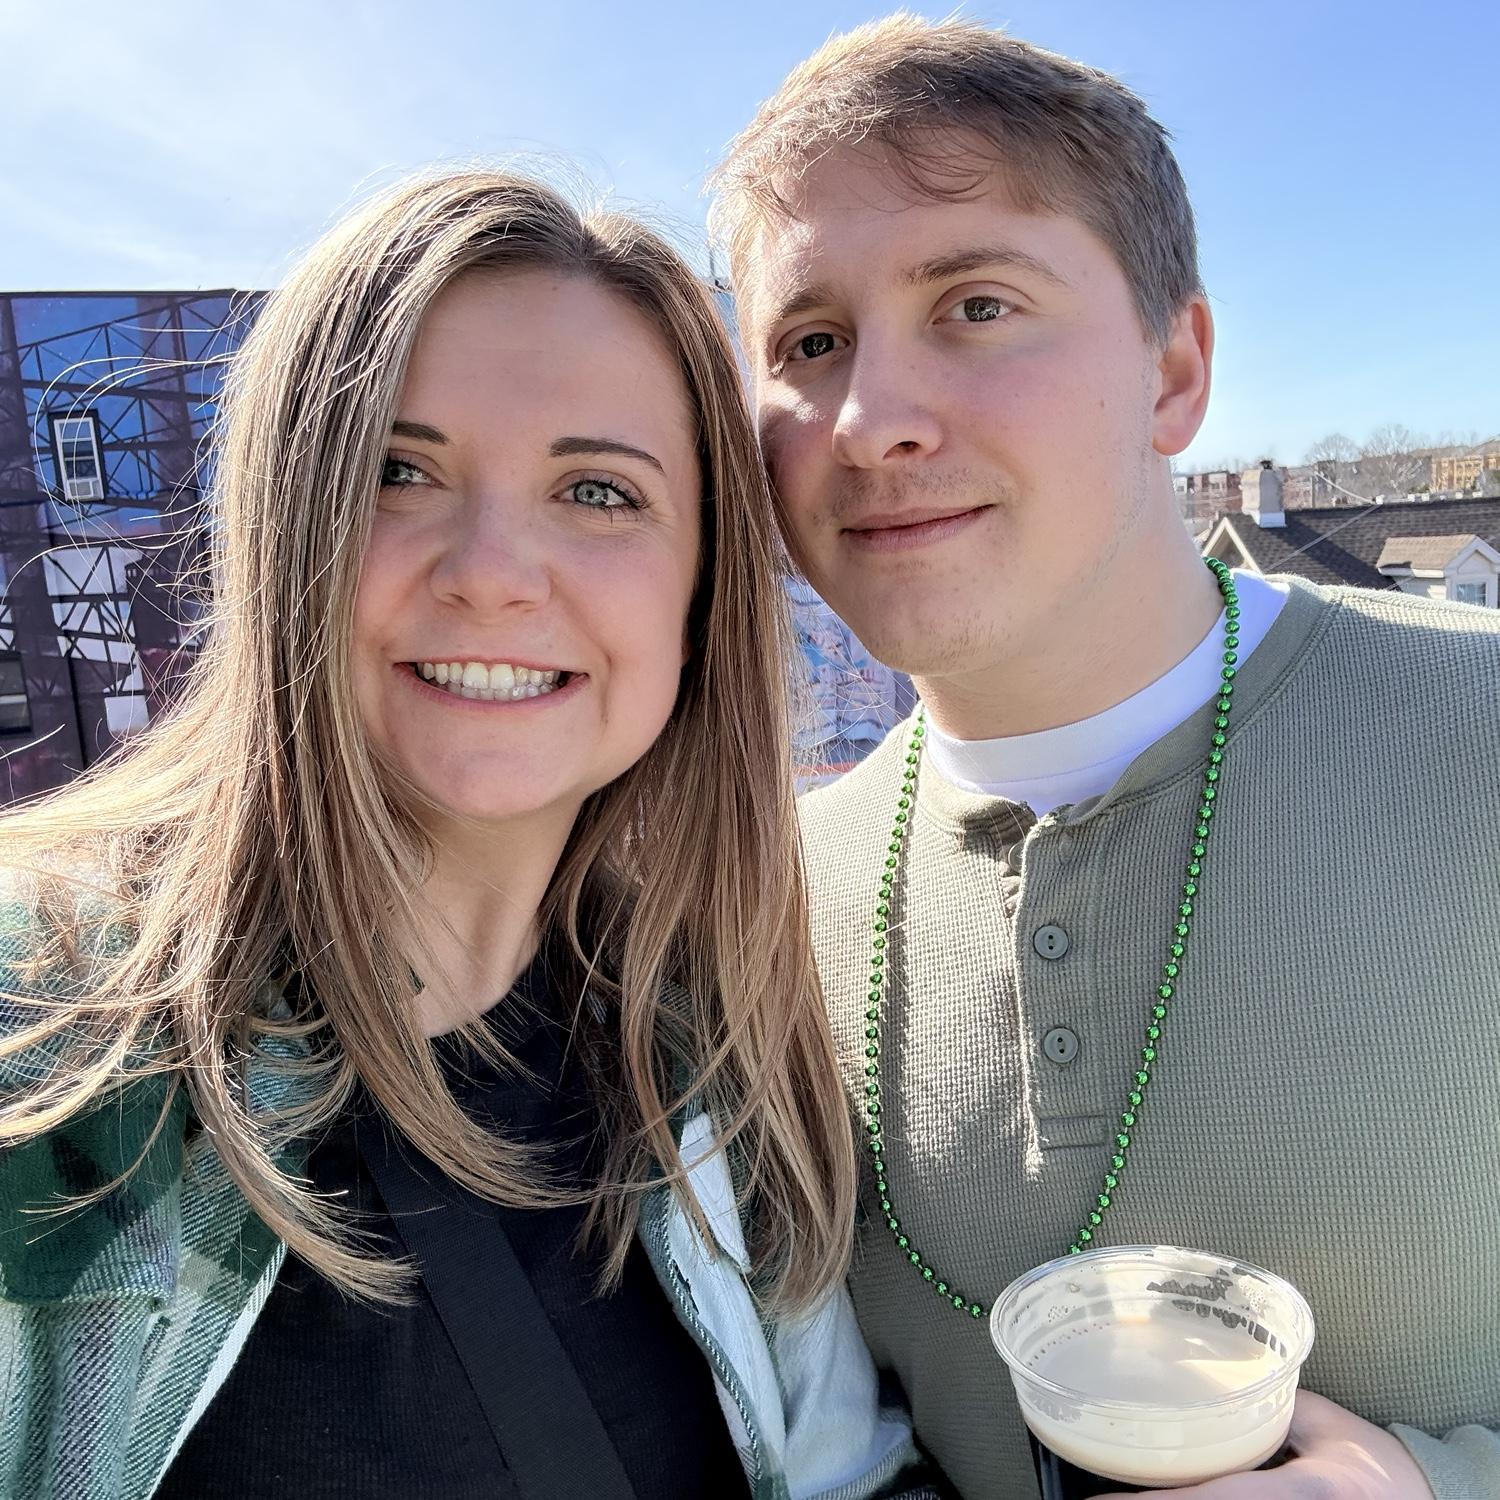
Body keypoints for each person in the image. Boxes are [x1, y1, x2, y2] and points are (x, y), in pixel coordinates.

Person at [0, 169, 923, 1500]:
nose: (491, 571)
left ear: (700, 590)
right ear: (285, 534)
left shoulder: (712, 1047)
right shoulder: (41, 1042)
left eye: (597, 492)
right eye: (397, 471)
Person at [710, 16, 1500, 1500]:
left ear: (1173, 372)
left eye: (978, 304)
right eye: (810, 343)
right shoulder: (762, 908)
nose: (871, 422)